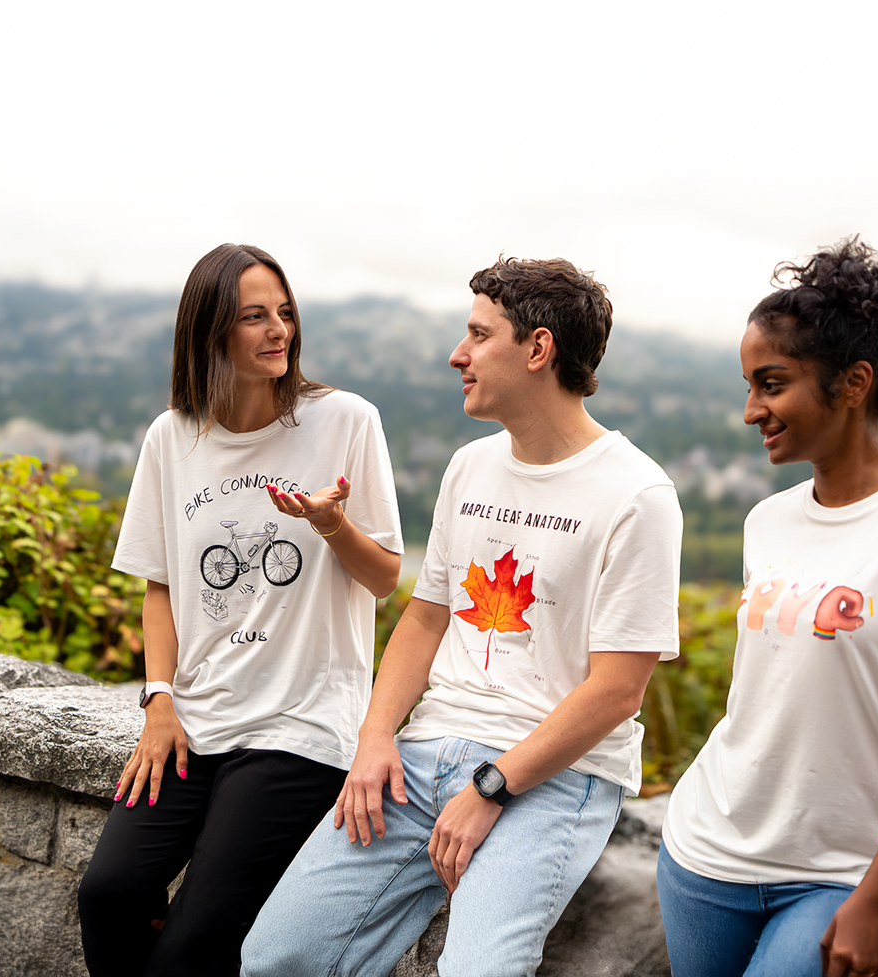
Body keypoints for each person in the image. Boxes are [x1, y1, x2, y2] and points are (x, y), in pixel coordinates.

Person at [240, 256, 683, 977]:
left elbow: (617, 691)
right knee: (275, 957)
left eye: (479, 335)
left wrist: (492, 787)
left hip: (550, 778)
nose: (458, 355)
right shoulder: (469, 467)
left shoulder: (637, 494)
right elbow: (424, 619)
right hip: (420, 757)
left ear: (538, 350)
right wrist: (376, 737)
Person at [657, 237, 878, 977]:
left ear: (854, 383)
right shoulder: (770, 520)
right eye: (750, 385)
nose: (751, 409)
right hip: (708, 855)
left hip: (845, 874)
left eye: (772, 383)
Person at [78, 243, 404, 977]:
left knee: (195, 944)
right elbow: (159, 585)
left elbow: (384, 577)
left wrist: (330, 525)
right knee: (109, 893)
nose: (277, 330)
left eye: (284, 313)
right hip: (195, 715)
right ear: (211, 332)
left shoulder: (346, 421)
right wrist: (159, 698)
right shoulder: (173, 436)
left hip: (301, 724)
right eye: (254, 316)